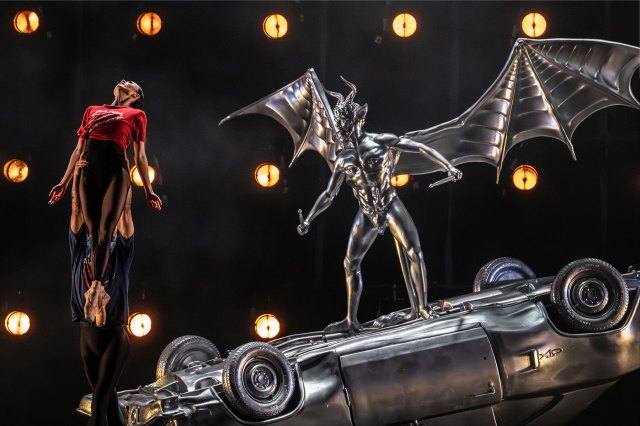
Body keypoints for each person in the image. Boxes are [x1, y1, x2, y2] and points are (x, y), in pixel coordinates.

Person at [297, 78, 462, 334]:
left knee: (414, 252)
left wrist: (447, 165)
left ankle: (421, 308)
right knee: (350, 263)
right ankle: (351, 320)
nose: (343, 130)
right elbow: (329, 194)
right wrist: (308, 218)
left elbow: (418, 146)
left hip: (389, 203)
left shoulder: (381, 142)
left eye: (346, 124)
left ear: (358, 120)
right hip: (367, 212)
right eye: (340, 126)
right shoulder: (344, 158)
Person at [49, 79, 161, 327]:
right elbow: (78, 150)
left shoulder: (137, 114)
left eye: (131, 83)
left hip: (116, 171)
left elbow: (139, 156)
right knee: (91, 228)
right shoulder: (92, 110)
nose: (125, 81)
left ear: (135, 95)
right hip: (88, 170)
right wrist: (64, 182)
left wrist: (149, 190)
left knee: (105, 231)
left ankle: (97, 289)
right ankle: (96, 295)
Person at [69, 159, 133, 426]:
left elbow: (126, 209)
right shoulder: (80, 246)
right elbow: (75, 206)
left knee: (98, 409)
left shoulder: (121, 249)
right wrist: (76, 174)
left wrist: (124, 173)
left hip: (113, 336)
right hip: (86, 333)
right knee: (110, 410)